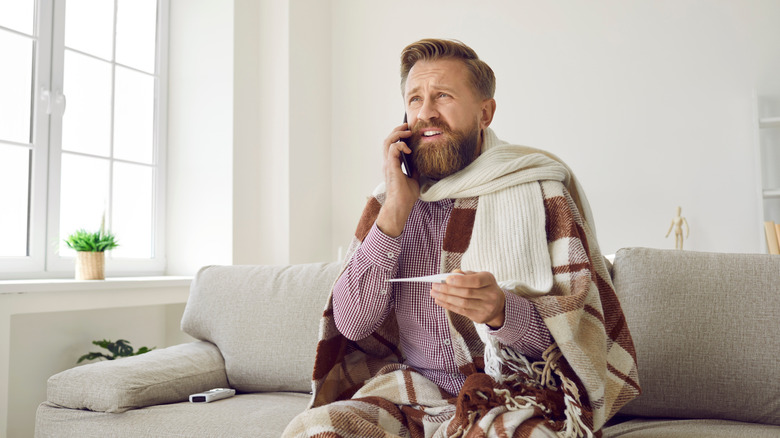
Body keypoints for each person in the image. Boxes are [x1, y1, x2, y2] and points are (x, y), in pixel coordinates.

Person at [283, 38, 640, 438]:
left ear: (485, 112)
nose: (426, 113)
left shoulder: (542, 192)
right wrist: (396, 210)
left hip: (512, 395)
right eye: (415, 99)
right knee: (314, 430)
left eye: (443, 96)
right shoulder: (388, 202)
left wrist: (503, 312)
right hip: (410, 393)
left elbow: (581, 340)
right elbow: (353, 323)